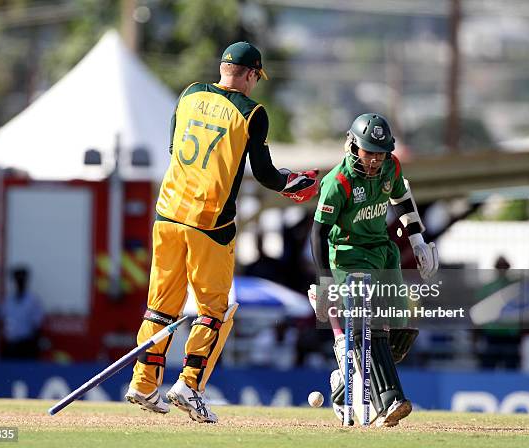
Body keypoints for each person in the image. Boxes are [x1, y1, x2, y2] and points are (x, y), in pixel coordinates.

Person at [125, 41, 319, 423]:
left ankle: (144, 382)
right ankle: (190, 385)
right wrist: (294, 184)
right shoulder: (252, 112)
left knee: (161, 306)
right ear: (249, 74)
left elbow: (172, 147)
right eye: (255, 78)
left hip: (167, 214)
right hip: (209, 223)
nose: (255, 84)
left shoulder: (190, 94)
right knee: (216, 311)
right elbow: (265, 174)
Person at [308, 113, 438, 427]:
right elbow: (318, 233)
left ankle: (344, 382)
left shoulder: (390, 166)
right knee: (370, 324)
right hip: (349, 255)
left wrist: (418, 238)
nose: (375, 160)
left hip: (383, 251)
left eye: (380, 152)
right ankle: (388, 403)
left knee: (399, 330)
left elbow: (401, 198)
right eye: (369, 152)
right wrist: (326, 282)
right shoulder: (337, 183)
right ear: (352, 146)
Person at [0, 266, 44, 359]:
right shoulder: (9, 300)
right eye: (17, 279)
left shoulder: (33, 300)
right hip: (10, 343)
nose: (20, 282)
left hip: (26, 344)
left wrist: (34, 344)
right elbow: (0, 314)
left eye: (22, 279)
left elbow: (37, 323)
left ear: (26, 281)